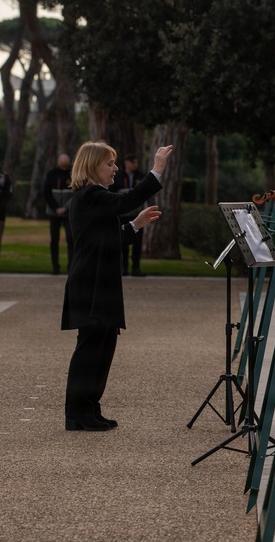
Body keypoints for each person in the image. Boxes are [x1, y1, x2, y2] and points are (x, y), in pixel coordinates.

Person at [61, 141, 172, 432]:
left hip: (99, 282)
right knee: (90, 348)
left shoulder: (95, 198)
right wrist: (156, 171)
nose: (115, 169)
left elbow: (109, 237)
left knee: (103, 345)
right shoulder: (90, 195)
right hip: (91, 283)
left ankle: (89, 407)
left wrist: (135, 225)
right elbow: (125, 200)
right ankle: (76, 411)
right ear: (92, 166)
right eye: (109, 163)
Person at [110, 154, 146, 276]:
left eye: (136, 162)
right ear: (126, 163)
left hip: (137, 214)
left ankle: (136, 267)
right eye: (133, 162)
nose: (135, 164)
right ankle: (123, 268)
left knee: (137, 242)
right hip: (123, 215)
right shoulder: (118, 177)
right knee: (123, 241)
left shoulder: (140, 177)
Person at [45, 153, 73, 274]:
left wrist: (66, 208)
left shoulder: (73, 174)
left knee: (71, 239)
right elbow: (47, 193)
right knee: (54, 240)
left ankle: (71, 266)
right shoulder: (51, 174)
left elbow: (76, 193)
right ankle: (55, 266)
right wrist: (56, 208)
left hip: (69, 213)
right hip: (54, 213)